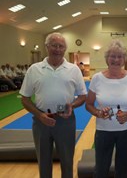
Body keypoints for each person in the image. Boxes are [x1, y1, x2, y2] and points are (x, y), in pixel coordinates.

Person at [19, 32, 87, 178]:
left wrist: (72, 106)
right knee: (43, 161)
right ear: (47, 47)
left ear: (65, 49)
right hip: (41, 120)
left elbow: (83, 96)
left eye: (61, 46)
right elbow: (24, 98)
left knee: (67, 161)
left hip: (66, 121)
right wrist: (39, 115)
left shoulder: (74, 70)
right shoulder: (34, 69)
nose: (57, 49)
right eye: (54, 46)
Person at [85, 39, 127, 178]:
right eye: (112, 56)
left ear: (124, 59)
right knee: (101, 169)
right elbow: (89, 104)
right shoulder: (97, 78)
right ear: (107, 58)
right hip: (104, 131)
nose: (116, 59)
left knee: (123, 169)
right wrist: (98, 113)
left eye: (120, 56)